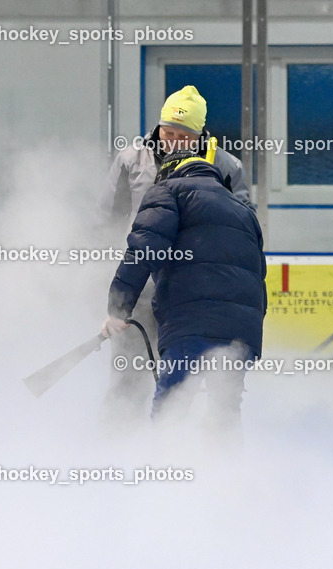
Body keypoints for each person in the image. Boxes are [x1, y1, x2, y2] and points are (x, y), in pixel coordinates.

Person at [98, 85, 253, 427]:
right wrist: (117, 294)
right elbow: (108, 220)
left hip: (191, 294)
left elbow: (244, 228)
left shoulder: (226, 166)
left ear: (199, 134)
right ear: (158, 127)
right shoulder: (131, 159)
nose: (174, 142)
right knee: (128, 378)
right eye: (169, 132)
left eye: (184, 136)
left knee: (190, 386)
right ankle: (113, 454)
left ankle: (185, 463)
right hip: (141, 287)